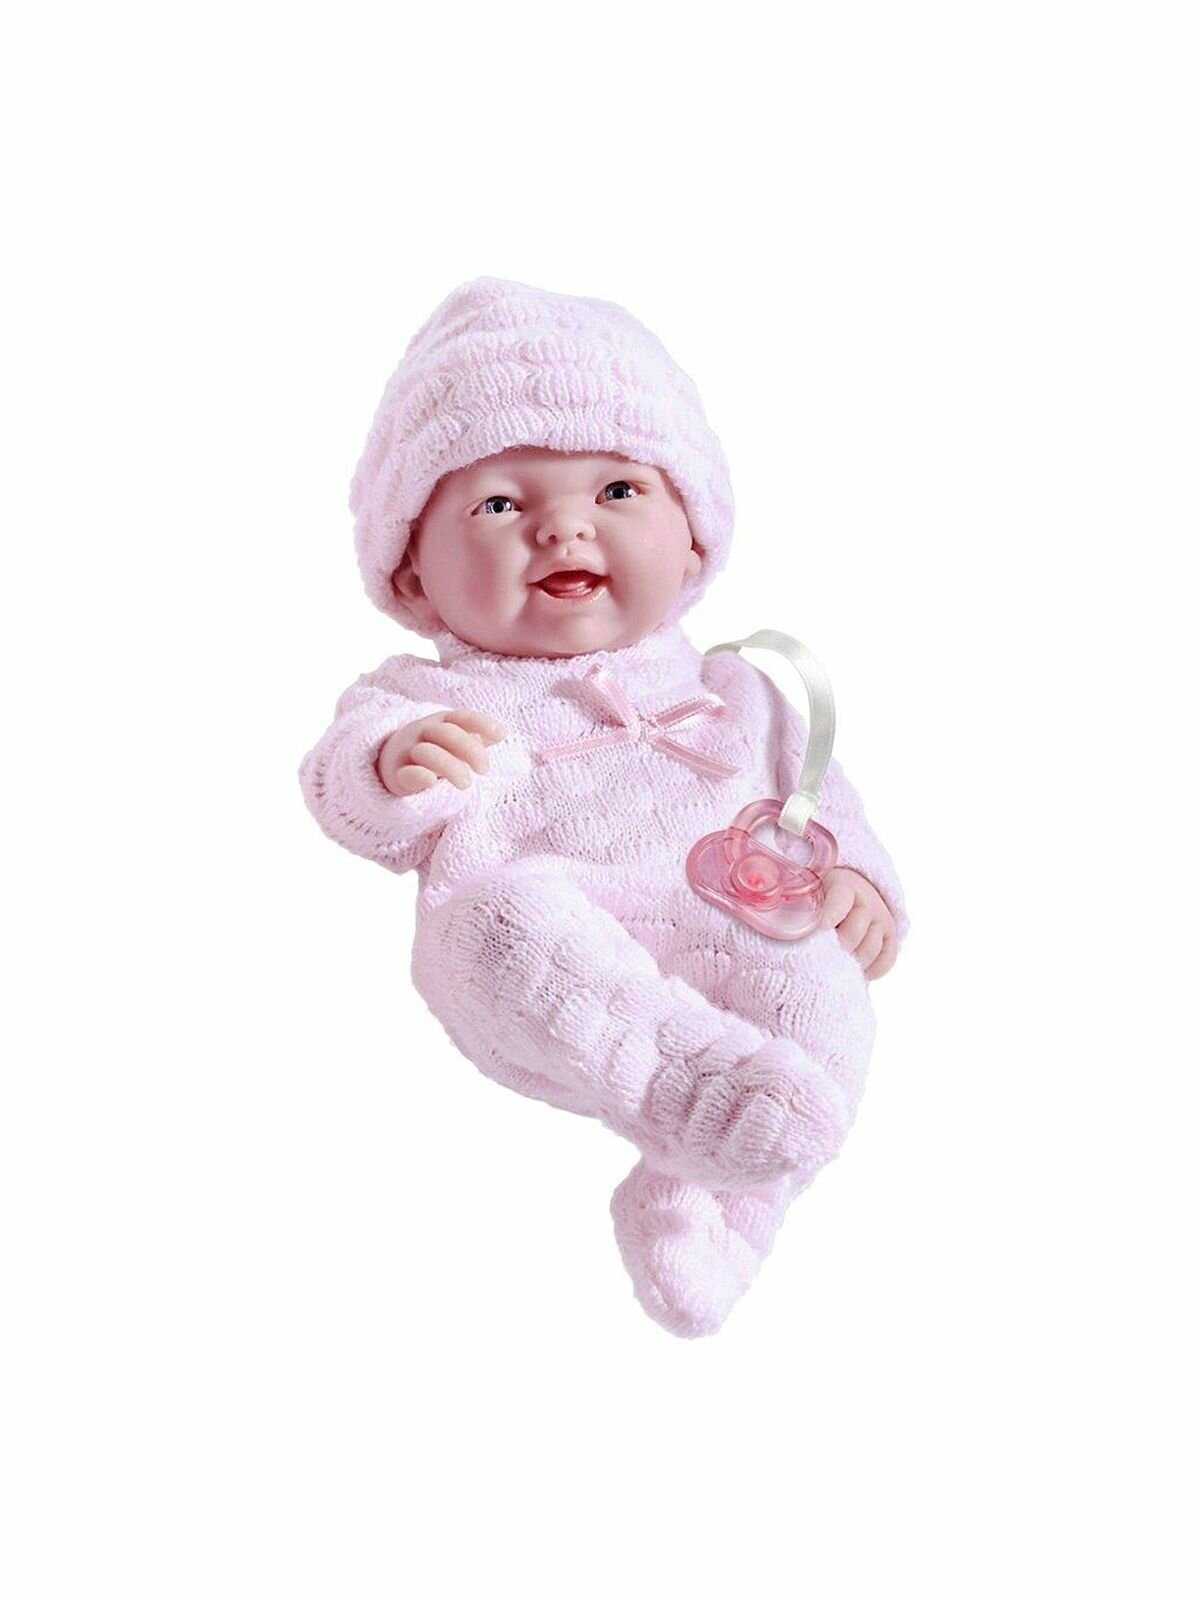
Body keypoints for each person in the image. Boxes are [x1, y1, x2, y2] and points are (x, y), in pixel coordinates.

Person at [300, 277, 908, 1336]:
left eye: (618, 490)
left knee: (824, 985)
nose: (563, 528)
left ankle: (709, 1202)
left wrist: (861, 885)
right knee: (496, 922)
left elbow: (824, 802)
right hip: (551, 956)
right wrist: (390, 766)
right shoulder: (429, 696)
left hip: (735, 920)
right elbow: (341, 785)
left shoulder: (743, 691)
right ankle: (680, 1087)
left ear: (695, 536)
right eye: (499, 505)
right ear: (413, 575)